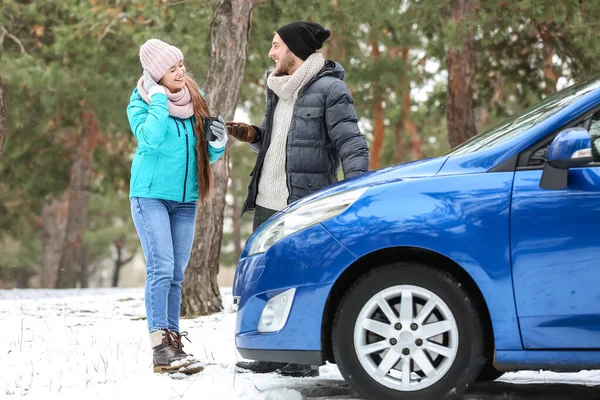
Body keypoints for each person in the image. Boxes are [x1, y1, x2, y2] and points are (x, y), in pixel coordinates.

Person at [227, 21, 369, 377]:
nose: (271, 52)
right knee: (266, 278)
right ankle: (269, 351)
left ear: (293, 49)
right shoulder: (277, 88)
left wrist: (356, 193)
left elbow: (351, 143)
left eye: (276, 45)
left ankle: (303, 359)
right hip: (266, 200)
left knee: (303, 279)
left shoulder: (330, 89)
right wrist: (253, 135)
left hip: (303, 203)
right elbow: (278, 141)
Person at [126, 39, 228, 374]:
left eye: (181, 64)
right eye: (172, 68)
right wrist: (157, 98)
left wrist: (217, 143)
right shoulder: (140, 102)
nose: (181, 72)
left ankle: (173, 343)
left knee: (176, 274)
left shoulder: (193, 101)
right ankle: (160, 348)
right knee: (161, 267)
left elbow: (202, 154)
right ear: (156, 75)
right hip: (151, 196)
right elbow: (151, 138)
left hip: (185, 200)